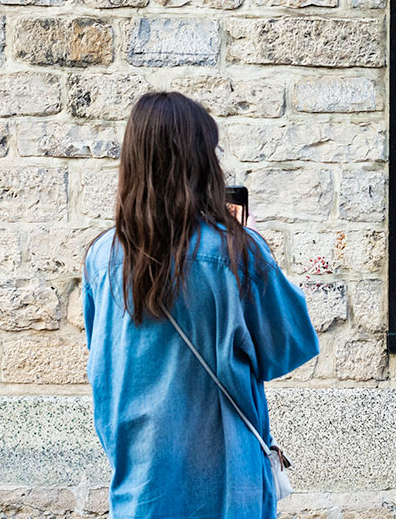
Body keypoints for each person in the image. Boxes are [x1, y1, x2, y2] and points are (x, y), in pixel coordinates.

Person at [83, 92, 318, 518]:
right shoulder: (236, 253)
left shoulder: (102, 258)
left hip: (142, 485)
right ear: (200, 163)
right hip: (230, 484)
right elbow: (288, 347)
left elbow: (105, 367)